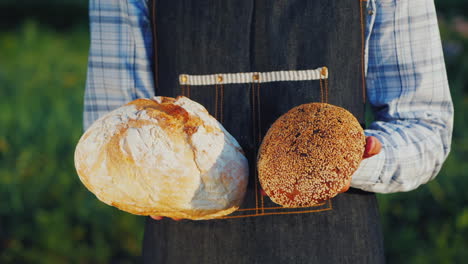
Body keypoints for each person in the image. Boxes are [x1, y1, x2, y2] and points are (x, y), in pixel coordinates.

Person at [83, 0, 453, 263]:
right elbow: (106, 134)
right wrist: (139, 185)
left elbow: (426, 124)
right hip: (188, 249)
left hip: (336, 246)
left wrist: (356, 160)